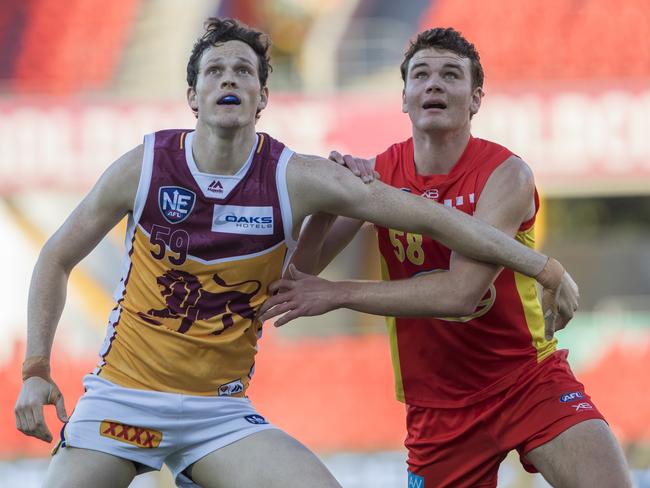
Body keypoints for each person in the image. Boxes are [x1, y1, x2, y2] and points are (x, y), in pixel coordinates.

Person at [15, 19, 576, 488]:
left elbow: (434, 217)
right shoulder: (143, 167)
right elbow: (55, 257)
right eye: (215, 71)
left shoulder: (296, 177)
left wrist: (543, 266)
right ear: (194, 95)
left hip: (218, 412)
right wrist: (36, 368)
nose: (229, 79)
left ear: (263, 98)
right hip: (122, 401)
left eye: (244, 72)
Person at [259, 27, 631, 488]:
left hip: (526, 380)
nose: (433, 83)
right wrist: (331, 197)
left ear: (475, 99)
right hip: (437, 408)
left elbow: (460, 294)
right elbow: (301, 272)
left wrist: (338, 294)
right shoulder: (376, 175)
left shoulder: (506, 174)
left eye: (450, 74)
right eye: (421, 75)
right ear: (405, 98)